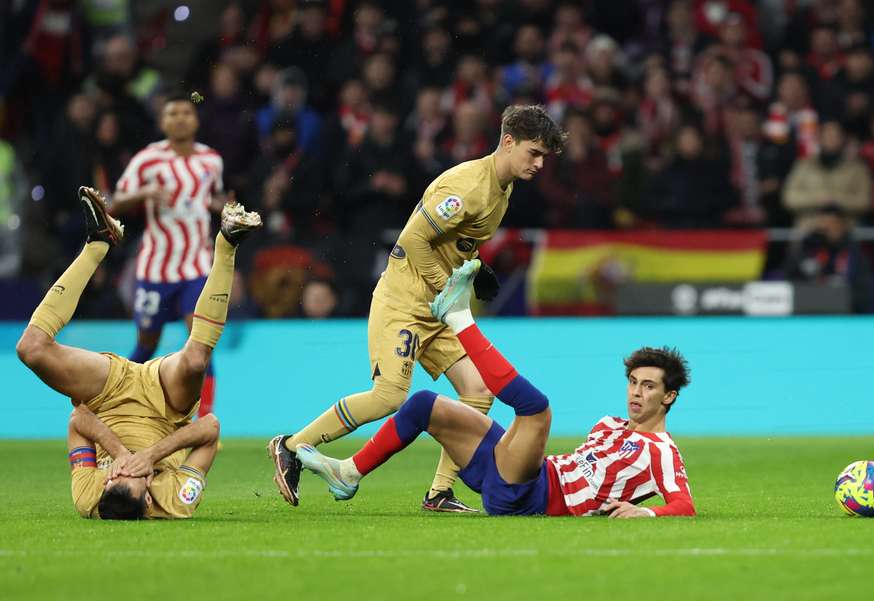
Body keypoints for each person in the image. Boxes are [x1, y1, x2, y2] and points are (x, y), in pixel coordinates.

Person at [268, 105, 567, 512]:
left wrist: (476, 269)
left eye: (544, 157)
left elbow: (454, 242)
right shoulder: (465, 187)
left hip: (439, 307)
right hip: (406, 302)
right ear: (508, 142)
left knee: (478, 391)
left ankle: (440, 491)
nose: (538, 163)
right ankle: (290, 445)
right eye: (533, 153)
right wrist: (449, 287)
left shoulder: (503, 186)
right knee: (389, 396)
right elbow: (412, 241)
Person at [298, 260, 696, 518]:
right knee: (423, 404)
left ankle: (459, 318)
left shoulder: (661, 451)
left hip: (534, 497)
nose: (636, 392)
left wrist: (644, 513)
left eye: (648, 386)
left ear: (669, 396)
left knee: (537, 408)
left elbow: (684, 504)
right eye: (632, 383)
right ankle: (349, 473)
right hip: (513, 476)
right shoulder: (609, 424)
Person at [16, 187, 261, 519]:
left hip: (107, 395)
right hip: (166, 407)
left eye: (114, 475)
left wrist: (117, 452)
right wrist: (151, 455)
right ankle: (227, 242)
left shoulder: (89, 496)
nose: (121, 470)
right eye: (132, 476)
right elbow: (210, 428)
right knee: (195, 360)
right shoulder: (177, 501)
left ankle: (98, 242)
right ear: (148, 499)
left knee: (30, 349)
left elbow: (78, 420)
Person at [110, 92, 229, 419]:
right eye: (172, 113)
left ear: (196, 120)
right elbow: (113, 203)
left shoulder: (211, 160)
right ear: (163, 121)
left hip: (196, 266)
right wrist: (144, 193)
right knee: (147, 342)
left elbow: (214, 198)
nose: (179, 118)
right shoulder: (148, 159)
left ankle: (205, 420)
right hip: (155, 267)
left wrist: (225, 208)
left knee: (201, 344)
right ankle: (120, 405)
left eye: (185, 113)